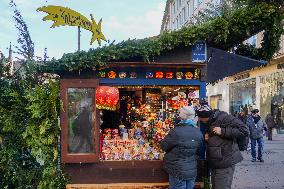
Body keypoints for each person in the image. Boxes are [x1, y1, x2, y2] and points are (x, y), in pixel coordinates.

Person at [195, 104, 249, 189]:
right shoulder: (211, 121)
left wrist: (223, 131)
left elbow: (244, 130)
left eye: (199, 117)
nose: (199, 119)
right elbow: (216, 137)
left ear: (204, 116)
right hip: (216, 162)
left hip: (225, 161)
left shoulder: (225, 118)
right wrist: (208, 136)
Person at [160, 106, 203, 189]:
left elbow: (163, 146)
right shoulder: (198, 132)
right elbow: (199, 150)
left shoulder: (176, 131)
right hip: (191, 170)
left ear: (181, 116)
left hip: (177, 170)